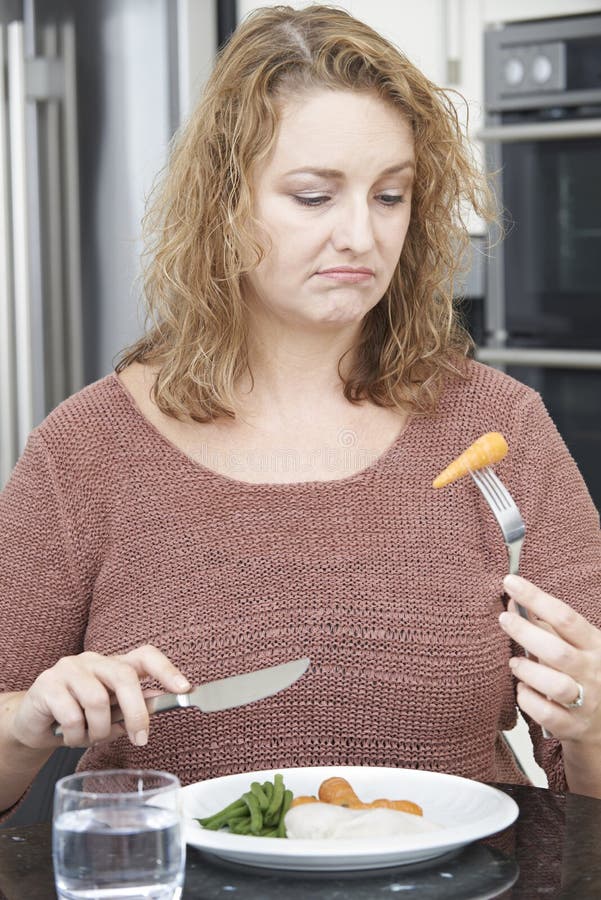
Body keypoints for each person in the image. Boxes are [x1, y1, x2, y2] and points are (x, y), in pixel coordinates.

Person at [1, 4, 600, 821]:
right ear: (222, 206)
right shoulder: (86, 451)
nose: (360, 234)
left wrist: (594, 724)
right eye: (314, 196)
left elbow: (585, 797)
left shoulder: (499, 432)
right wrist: (30, 724)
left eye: (390, 196)